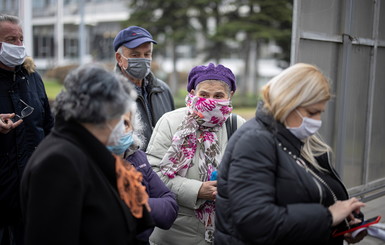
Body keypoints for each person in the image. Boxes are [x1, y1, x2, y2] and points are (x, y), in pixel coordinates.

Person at [214, 63, 367, 245]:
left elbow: (317, 191)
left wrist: (343, 221)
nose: (317, 121)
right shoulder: (254, 141)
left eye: (320, 112)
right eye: (312, 112)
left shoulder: (296, 137)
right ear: (288, 103)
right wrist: (328, 216)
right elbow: (255, 221)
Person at [20, 65, 154, 245]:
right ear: (103, 113)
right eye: (119, 117)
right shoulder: (59, 162)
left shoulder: (85, 150)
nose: (123, 126)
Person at [146, 63, 246, 244]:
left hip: (224, 232)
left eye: (218, 96)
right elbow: (153, 175)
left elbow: (252, 173)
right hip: (174, 234)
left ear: (230, 96)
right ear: (192, 94)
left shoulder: (238, 126)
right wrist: (198, 190)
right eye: (204, 95)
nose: (211, 102)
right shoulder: (171, 122)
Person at [0, 14, 54, 245]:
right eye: (11, 39)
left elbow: (49, 127)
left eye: (21, 39)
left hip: (34, 191)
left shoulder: (33, 78)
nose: (19, 45)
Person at [107, 110, 179, 244]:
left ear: (133, 127)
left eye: (125, 123)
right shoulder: (89, 162)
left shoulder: (138, 158)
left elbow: (170, 207)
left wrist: (137, 203)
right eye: (112, 122)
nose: (118, 129)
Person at [113, 25, 175, 151]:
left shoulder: (163, 90)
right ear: (119, 58)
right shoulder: (109, 94)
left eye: (147, 54)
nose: (142, 59)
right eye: (135, 55)